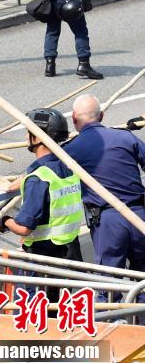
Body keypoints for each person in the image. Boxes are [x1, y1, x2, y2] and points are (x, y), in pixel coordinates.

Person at [0, 108, 84, 299]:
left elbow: (24, 228)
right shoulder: (70, 169)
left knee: (35, 317)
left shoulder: (38, 179)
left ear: (37, 138)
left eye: (29, 132)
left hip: (42, 263)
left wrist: (6, 221)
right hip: (68, 258)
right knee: (59, 315)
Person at [64, 94, 145, 278]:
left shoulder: (72, 149)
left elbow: (50, 170)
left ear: (74, 119)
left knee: (108, 284)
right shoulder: (125, 137)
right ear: (102, 116)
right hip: (139, 215)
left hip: (108, 222)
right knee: (143, 278)